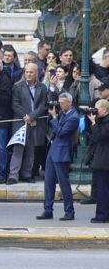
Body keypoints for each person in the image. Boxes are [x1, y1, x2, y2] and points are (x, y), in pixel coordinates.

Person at [38, 91, 80, 221]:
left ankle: (69, 211)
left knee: (63, 183)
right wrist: (52, 114)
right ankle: (48, 210)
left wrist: (55, 118)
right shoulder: (62, 113)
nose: (60, 106)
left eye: (63, 103)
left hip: (62, 152)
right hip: (53, 150)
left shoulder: (74, 117)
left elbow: (61, 133)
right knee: (48, 182)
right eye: (59, 103)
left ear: (70, 103)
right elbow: (51, 125)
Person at [87, 99, 109, 223]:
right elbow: (92, 134)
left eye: (97, 109)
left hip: (104, 160)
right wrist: (92, 120)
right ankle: (103, 214)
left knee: (102, 190)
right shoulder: (100, 120)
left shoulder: (106, 122)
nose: (95, 111)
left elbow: (100, 136)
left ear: (105, 109)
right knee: (102, 189)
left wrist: (94, 123)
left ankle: (102, 215)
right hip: (101, 158)